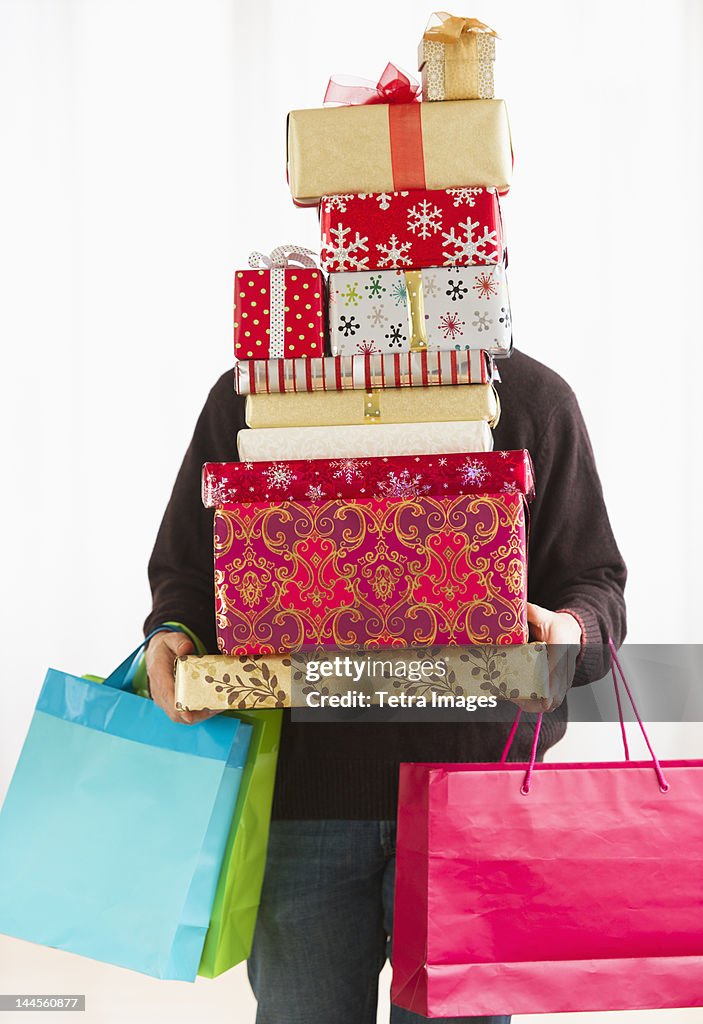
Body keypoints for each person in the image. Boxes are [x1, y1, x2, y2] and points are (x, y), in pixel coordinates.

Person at [144, 348, 627, 1024]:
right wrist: (176, 633)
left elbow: (593, 579)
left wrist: (570, 631)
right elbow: (192, 571)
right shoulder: (255, 395)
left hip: (471, 799)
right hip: (298, 799)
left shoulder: (531, 396)